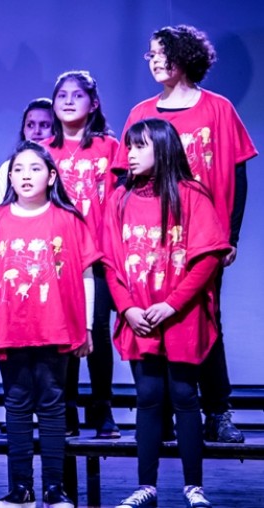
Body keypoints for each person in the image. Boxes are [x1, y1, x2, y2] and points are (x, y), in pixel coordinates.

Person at [113, 24, 256, 444]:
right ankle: (171, 413)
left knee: (204, 316)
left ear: (184, 56)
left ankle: (217, 410)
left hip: (201, 235)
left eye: (161, 52)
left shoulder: (218, 109)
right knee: (158, 322)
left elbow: (237, 173)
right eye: (150, 54)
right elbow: (125, 179)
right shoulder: (141, 113)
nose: (154, 60)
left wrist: (230, 235)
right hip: (150, 240)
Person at [0, 143, 101, 508]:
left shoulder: (67, 220)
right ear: (9, 177)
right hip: (9, 327)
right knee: (16, 405)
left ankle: (55, 488)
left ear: (51, 176)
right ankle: (20, 488)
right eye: (18, 169)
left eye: (34, 168)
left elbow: (86, 275)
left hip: (55, 326)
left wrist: (85, 327)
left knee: (54, 405)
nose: (25, 175)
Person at [105, 119, 229, 508]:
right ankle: (147, 486)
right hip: (139, 316)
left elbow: (208, 259)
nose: (131, 154)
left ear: (163, 148)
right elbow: (110, 261)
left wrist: (172, 304)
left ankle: (194, 486)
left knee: (184, 395)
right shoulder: (118, 199)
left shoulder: (191, 194)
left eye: (140, 146)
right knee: (148, 397)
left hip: (180, 316)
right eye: (129, 146)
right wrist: (127, 308)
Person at [44, 70, 121, 438]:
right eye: (62, 95)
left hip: (101, 254)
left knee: (98, 328)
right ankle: (67, 406)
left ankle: (102, 407)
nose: (69, 101)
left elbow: (125, 200)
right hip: (59, 255)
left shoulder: (110, 147)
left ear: (94, 103)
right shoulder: (44, 151)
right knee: (64, 331)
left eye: (78, 95)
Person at [0, 98, 54, 198]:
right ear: (23, 130)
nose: (36, 131)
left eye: (44, 125)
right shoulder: (7, 168)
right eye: (30, 125)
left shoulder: (65, 166)